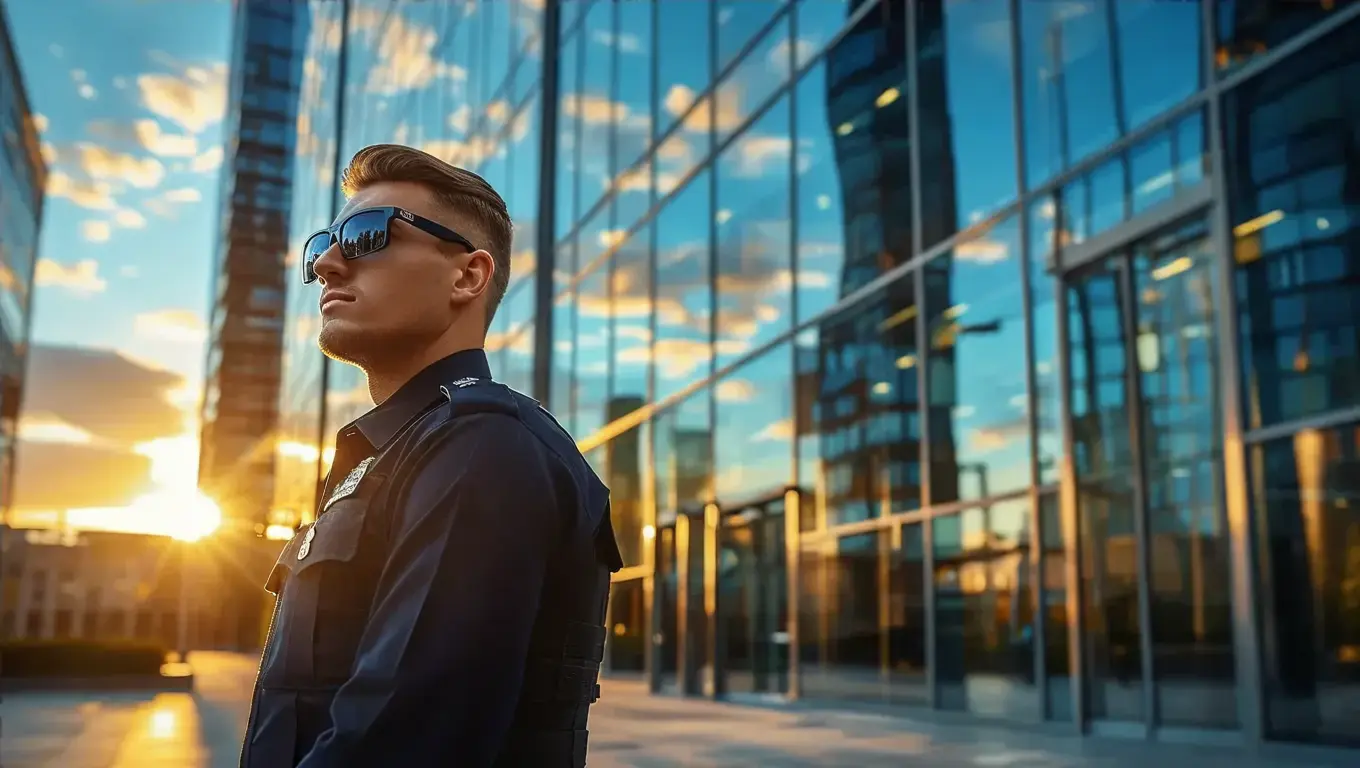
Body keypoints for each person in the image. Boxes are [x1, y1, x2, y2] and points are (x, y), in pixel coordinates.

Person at [238, 144, 623, 768]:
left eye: (366, 236)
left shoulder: (482, 448)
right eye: (321, 246)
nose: (329, 266)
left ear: (467, 276)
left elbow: (400, 742)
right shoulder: (393, 453)